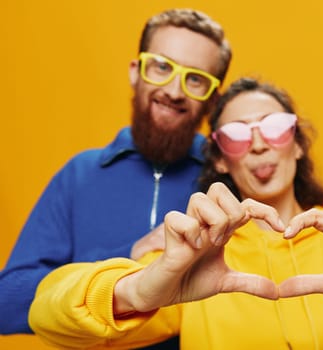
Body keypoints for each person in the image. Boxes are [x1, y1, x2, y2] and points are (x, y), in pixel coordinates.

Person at [28, 77, 323, 349]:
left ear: (298, 143)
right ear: (221, 158)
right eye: (238, 135)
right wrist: (135, 291)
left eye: (276, 129)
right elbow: (47, 312)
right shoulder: (198, 252)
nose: (260, 143)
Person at [0, 7, 231, 348]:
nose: (174, 90)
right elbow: (7, 303)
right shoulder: (80, 174)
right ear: (136, 72)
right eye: (162, 67)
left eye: (195, 79)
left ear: (212, 100)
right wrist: (133, 254)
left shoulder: (228, 181)